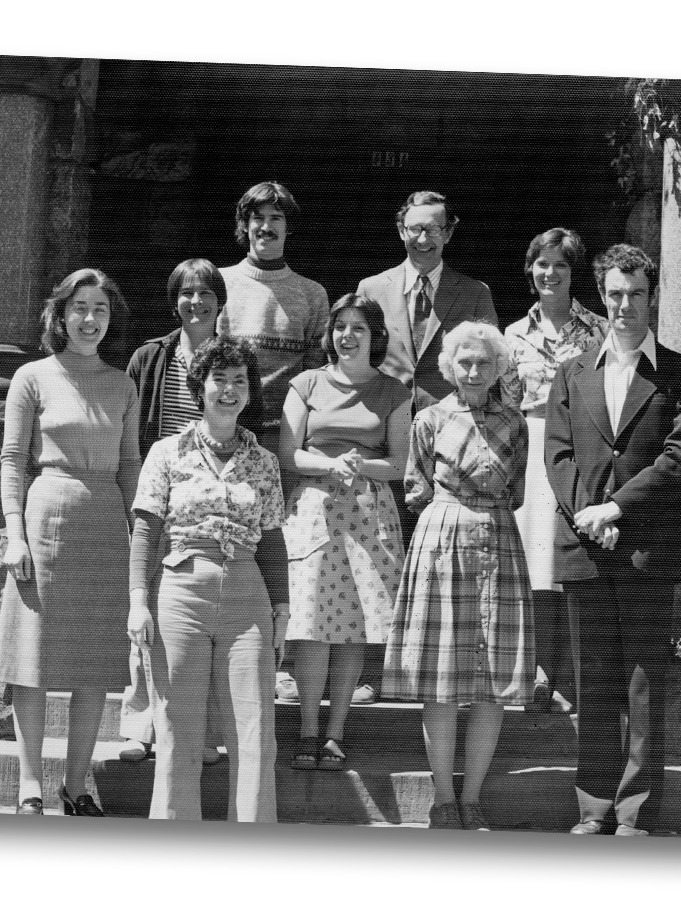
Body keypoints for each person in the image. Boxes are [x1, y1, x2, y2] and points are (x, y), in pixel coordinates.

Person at [544, 244, 681, 836]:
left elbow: (680, 457)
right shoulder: (572, 371)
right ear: (601, 295)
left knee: (642, 688)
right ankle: (592, 811)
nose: (624, 305)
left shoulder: (680, 373)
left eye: (636, 293)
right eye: (614, 293)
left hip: (645, 552)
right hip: (587, 550)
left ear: (652, 295)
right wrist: (590, 514)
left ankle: (635, 815)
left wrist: (617, 508)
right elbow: (558, 455)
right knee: (594, 683)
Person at [0, 268, 140, 816]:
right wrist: (15, 535)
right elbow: (11, 460)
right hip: (45, 521)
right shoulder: (31, 377)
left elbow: (130, 465)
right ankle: (29, 785)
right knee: (33, 663)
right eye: (80, 307)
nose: (90, 319)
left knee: (93, 665)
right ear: (60, 314)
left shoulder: (123, 384)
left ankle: (76, 786)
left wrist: (142, 537)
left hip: (104, 526)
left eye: (100, 309)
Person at [127, 334, 289, 821]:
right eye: (220, 379)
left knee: (256, 727)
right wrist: (137, 602)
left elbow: (274, 541)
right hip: (181, 590)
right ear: (200, 386)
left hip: (247, 592)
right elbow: (145, 530)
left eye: (240, 381)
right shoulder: (166, 452)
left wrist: (282, 611)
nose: (229, 389)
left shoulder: (264, 461)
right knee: (178, 725)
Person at [383, 321, 534, 831]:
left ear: (498, 368)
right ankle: (443, 799)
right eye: (464, 362)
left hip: (498, 536)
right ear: (449, 366)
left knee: (492, 682)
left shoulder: (516, 422)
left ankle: (472, 798)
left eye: (483, 362)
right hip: (442, 539)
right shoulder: (428, 419)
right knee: (443, 680)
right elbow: (416, 484)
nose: (473, 370)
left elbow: (515, 488)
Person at [118, 259, 264, 765]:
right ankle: (141, 725)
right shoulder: (149, 356)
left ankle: (195, 732)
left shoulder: (236, 359)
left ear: (221, 301)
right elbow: (133, 433)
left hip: (213, 498)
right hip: (164, 492)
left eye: (206, 292)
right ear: (173, 300)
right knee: (150, 617)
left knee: (199, 630)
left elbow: (250, 423)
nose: (196, 301)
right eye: (185, 292)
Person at [354, 190, 498, 704]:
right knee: (376, 551)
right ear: (401, 231)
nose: (423, 238)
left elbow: (488, 360)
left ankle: (435, 669)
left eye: (433, 228)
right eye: (414, 228)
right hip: (383, 432)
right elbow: (355, 353)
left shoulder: (473, 291)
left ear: (448, 232)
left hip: (449, 442)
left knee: (439, 559)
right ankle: (373, 668)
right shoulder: (372, 288)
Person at [278, 294, 411, 770]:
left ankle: (336, 733)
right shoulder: (307, 383)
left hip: (368, 512)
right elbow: (289, 453)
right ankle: (308, 731)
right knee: (312, 625)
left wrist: (362, 465)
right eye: (340, 327)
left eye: (359, 328)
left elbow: (400, 464)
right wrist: (331, 464)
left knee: (353, 626)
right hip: (315, 508)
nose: (348, 336)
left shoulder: (393, 391)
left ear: (375, 336)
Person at [218, 181, 329, 704]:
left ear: (289, 227)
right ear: (245, 226)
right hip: (229, 437)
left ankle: (278, 660)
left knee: (280, 552)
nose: (267, 228)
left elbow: (316, 376)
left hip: (282, 441)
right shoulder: (219, 284)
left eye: (277, 220)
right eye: (258, 219)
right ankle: (226, 653)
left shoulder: (311, 294)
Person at [500, 228, 608, 716]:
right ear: (530, 270)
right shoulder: (512, 335)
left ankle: (571, 678)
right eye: (542, 264)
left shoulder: (599, 330)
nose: (550, 273)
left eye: (560, 265)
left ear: (573, 272)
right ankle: (537, 673)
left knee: (572, 564)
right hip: (530, 450)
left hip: (578, 451)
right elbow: (504, 403)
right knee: (532, 567)